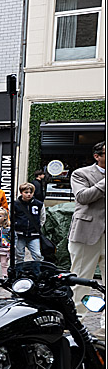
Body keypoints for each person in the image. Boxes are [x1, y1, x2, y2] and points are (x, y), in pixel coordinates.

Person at [67, 141, 106, 339]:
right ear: (97, 156)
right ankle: (74, 321)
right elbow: (83, 197)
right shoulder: (81, 174)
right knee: (80, 280)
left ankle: (105, 327)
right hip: (86, 233)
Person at [11, 182, 46, 264]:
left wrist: (37, 227)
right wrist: (15, 226)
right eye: (26, 192)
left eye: (31, 192)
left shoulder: (38, 204)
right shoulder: (15, 204)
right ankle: (18, 272)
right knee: (19, 255)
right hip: (19, 234)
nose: (29, 194)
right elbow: (11, 217)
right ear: (21, 193)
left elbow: (42, 217)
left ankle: (37, 272)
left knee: (37, 255)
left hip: (34, 234)